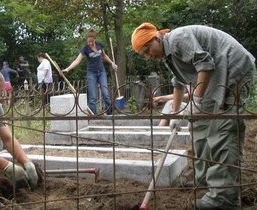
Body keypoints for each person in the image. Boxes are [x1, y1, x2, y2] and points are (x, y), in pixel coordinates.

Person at [131, 22, 255, 210]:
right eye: (144, 54)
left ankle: (223, 197)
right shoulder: (167, 53)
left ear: (156, 38)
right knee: (200, 126)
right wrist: (175, 114)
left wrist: (196, 100)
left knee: (223, 131)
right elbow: (179, 81)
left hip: (232, 71)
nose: (149, 55)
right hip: (214, 79)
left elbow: (205, 64)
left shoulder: (178, 38)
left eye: (148, 49)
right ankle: (204, 178)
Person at [62, 29, 118, 115]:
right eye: (88, 42)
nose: (90, 43)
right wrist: (67, 69)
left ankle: (110, 115)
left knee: (106, 94)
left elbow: (104, 55)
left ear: (95, 39)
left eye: (91, 41)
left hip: (101, 72)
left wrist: (112, 63)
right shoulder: (85, 48)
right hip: (91, 74)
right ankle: (94, 117)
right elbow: (77, 60)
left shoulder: (100, 45)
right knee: (93, 97)